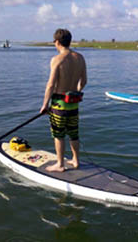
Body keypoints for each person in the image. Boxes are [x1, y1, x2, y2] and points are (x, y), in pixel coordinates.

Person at [40, 28, 87, 172]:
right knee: (73, 133)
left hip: (59, 104)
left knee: (58, 135)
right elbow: (84, 81)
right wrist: (76, 92)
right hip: (73, 103)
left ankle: (60, 164)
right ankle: (75, 160)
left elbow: (51, 85)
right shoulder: (80, 58)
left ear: (58, 42)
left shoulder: (57, 60)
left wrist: (45, 105)